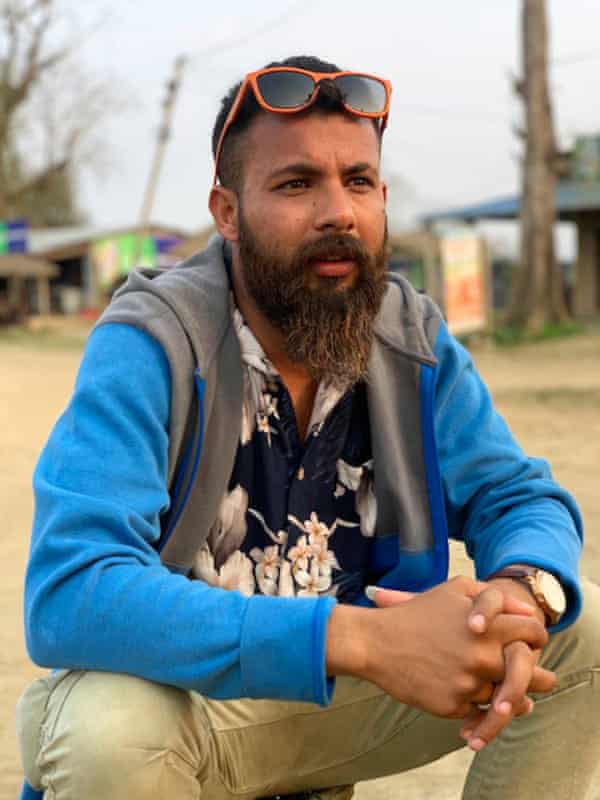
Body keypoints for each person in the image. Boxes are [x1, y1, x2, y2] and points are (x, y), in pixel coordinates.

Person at [16, 55, 600, 800]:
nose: (338, 213)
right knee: (105, 730)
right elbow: (70, 591)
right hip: (180, 713)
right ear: (227, 212)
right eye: (297, 185)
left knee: (579, 630)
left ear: (382, 198)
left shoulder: (405, 336)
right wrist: (357, 639)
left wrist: (520, 593)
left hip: (328, 707)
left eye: (358, 182)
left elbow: (518, 495)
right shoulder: (153, 342)